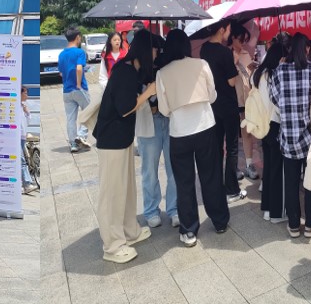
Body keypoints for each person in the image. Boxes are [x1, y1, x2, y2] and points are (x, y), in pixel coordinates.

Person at [157, 30, 230, 247]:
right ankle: (220, 221)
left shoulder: (162, 73)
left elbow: (164, 109)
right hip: (205, 126)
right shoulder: (201, 64)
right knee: (211, 176)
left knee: (184, 182)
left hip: (179, 133)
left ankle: (189, 230)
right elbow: (212, 95)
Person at [92, 31, 156, 263]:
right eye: (154, 51)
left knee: (126, 189)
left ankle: (130, 231)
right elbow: (125, 108)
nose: (156, 55)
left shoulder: (130, 70)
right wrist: (148, 93)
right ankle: (112, 246)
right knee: (112, 193)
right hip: (112, 141)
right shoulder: (125, 72)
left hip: (123, 139)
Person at [268, 33, 311, 240]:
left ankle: (293, 224)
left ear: (289, 49)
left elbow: (274, 98)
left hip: (287, 137)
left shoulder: (280, 71)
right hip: (309, 137)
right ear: (307, 49)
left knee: (290, 183)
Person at [135, 32, 177, 229]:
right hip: (148, 121)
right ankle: (151, 210)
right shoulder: (136, 71)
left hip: (168, 120)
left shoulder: (164, 67)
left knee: (173, 168)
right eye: (153, 48)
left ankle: (174, 209)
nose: (156, 52)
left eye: (158, 49)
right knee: (149, 170)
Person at [200, 22, 245, 202]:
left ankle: (217, 185)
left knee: (217, 146)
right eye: (228, 29)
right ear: (221, 30)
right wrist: (234, 63)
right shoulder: (225, 52)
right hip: (228, 105)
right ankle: (232, 189)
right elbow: (231, 81)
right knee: (232, 147)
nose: (229, 33)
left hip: (212, 104)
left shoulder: (204, 49)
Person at [254, 36, 288, 225]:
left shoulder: (260, 73)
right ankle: (275, 213)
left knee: (268, 168)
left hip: (262, 125)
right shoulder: (276, 75)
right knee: (276, 170)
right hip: (275, 124)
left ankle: (267, 208)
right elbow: (278, 104)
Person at [232, 21, 262, 181]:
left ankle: (249, 164)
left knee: (247, 132)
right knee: (231, 136)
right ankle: (233, 167)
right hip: (232, 99)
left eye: (244, 40)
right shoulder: (226, 54)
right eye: (240, 39)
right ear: (232, 38)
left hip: (246, 99)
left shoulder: (245, 54)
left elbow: (249, 75)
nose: (243, 43)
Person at [59, 27, 91, 153]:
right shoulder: (79, 52)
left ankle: (73, 144)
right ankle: (81, 136)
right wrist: (78, 83)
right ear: (77, 37)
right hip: (79, 88)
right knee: (89, 112)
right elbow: (79, 68)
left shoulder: (61, 54)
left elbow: (61, 73)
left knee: (70, 118)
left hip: (66, 90)